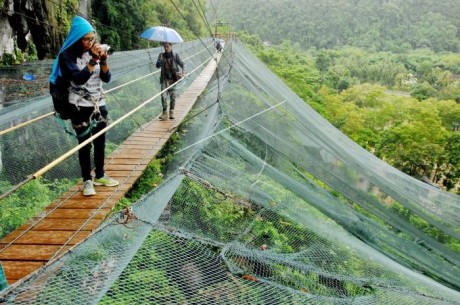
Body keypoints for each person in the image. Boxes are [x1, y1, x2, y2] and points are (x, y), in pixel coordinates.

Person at [49, 16, 119, 196]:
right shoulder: (67, 56)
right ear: (77, 39)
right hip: (79, 106)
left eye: (92, 39)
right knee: (84, 144)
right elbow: (78, 79)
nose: (90, 43)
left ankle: (100, 175)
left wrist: (103, 60)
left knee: (100, 142)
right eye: (86, 39)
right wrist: (93, 61)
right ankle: (87, 180)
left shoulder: (94, 53)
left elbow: (106, 78)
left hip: (98, 103)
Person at [156, 42, 185, 120]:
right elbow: (157, 66)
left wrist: (183, 71)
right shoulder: (161, 55)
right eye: (164, 46)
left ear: (171, 46)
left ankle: (171, 111)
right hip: (164, 79)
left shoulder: (175, 55)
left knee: (173, 96)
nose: (166, 48)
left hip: (173, 79)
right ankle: (164, 112)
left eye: (167, 46)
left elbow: (182, 64)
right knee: (163, 96)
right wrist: (160, 61)